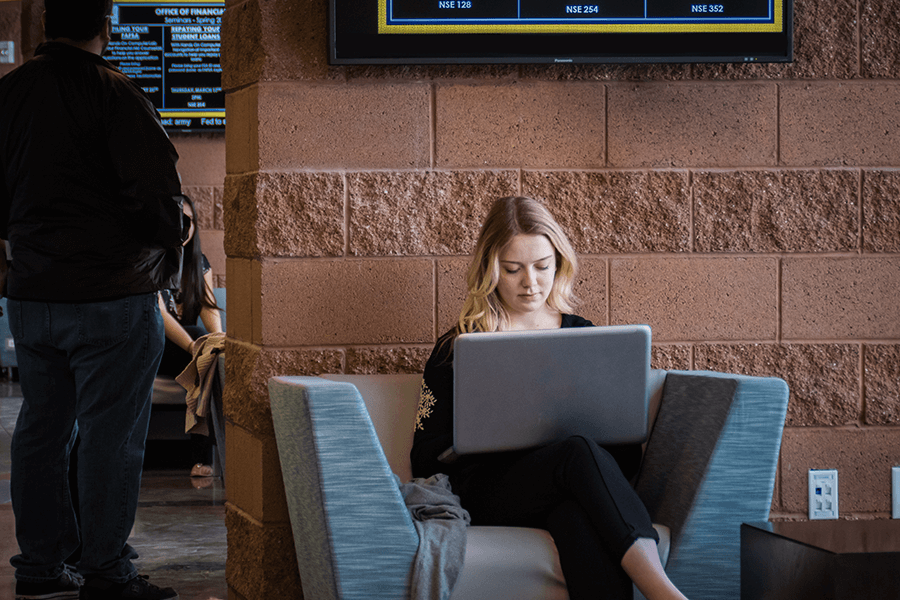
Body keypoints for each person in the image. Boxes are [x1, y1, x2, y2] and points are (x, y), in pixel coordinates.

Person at [411, 197, 690, 600]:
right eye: (513, 269)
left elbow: (627, 457)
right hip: (488, 490)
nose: (531, 282)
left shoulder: (586, 338)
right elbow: (423, 456)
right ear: (491, 270)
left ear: (559, 263)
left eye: (542, 266)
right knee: (575, 453)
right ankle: (664, 593)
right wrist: (474, 433)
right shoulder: (457, 348)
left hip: (567, 485)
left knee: (578, 518)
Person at [0, 1, 186, 598]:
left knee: (40, 429)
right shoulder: (118, 95)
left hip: (31, 295)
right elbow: (158, 202)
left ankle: (40, 568)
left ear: (45, 25)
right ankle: (106, 571)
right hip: (112, 297)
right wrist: (179, 226)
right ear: (107, 25)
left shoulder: (8, 95)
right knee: (111, 436)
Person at [157, 195, 222, 479]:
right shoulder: (152, 260)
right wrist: (195, 344)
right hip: (158, 348)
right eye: (176, 220)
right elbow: (159, 315)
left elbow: (208, 309)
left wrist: (218, 343)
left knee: (214, 353)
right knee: (200, 340)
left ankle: (202, 456)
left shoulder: (199, 262)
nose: (183, 227)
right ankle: (201, 455)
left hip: (190, 354)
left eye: (188, 221)